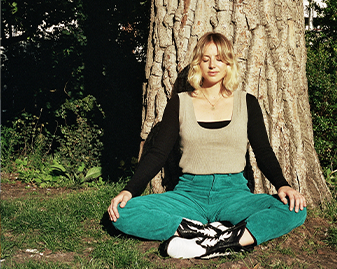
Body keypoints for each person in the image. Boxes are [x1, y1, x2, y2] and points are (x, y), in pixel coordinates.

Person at [107, 32, 307, 259]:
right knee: (122, 213)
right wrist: (129, 190)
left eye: (219, 58)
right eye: (205, 59)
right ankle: (213, 235)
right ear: (197, 64)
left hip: (234, 193)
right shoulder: (180, 103)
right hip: (189, 194)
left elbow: (263, 152)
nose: (213, 65)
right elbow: (157, 154)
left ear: (229, 63)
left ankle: (214, 243)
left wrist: (283, 185)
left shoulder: (247, 103)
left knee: (294, 210)